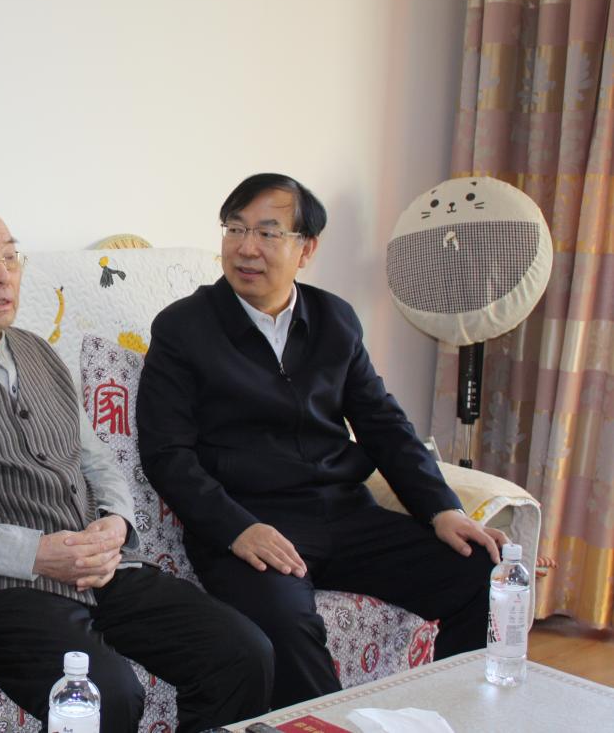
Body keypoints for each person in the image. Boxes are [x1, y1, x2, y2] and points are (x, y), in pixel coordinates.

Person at [0, 204, 273, 733]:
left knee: (242, 652)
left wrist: (116, 523)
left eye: (11, 257)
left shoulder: (39, 352)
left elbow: (95, 458)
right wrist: (34, 553)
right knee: (103, 696)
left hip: (95, 570)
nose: (3, 275)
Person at [137, 174, 508, 708]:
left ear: (306, 249)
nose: (246, 248)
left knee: (485, 574)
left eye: (268, 233)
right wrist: (236, 529)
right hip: (252, 522)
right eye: (235, 229)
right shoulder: (183, 328)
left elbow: (383, 423)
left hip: (345, 515)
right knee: (283, 627)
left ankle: (449, 715)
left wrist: (441, 509)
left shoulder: (334, 319)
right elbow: (167, 454)